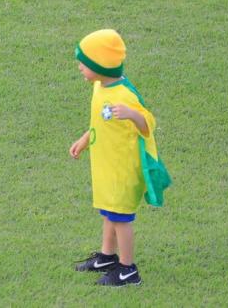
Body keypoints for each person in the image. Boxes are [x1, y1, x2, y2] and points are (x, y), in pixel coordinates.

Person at [68, 29, 161, 287]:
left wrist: (132, 114)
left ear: (100, 66)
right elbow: (99, 121)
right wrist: (84, 140)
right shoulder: (100, 86)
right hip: (105, 166)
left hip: (122, 170)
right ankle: (107, 257)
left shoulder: (124, 95)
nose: (79, 68)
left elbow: (148, 125)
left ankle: (128, 269)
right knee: (109, 213)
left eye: (84, 64)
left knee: (120, 218)